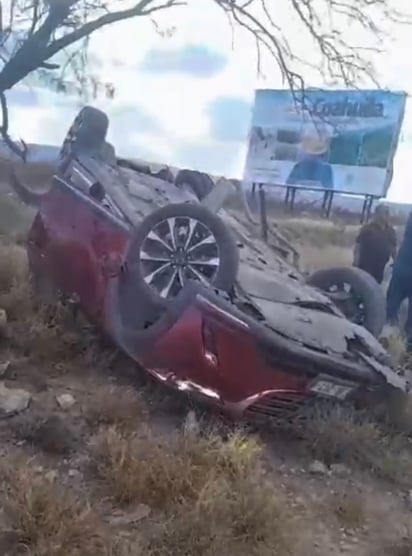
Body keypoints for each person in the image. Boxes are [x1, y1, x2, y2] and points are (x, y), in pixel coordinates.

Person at [353, 205, 397, 284]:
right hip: (365, 264)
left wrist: (396, 261)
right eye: (383, 213)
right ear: (377, 214)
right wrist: (356, 258)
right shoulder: (367, 228)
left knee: (375, 285)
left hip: (381, 264)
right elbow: (358, 244)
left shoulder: (390, 230)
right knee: (361, 284)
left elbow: (393, 247)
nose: (386, 215)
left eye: (387, 213)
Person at [386, 210, 412, 343]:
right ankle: (407, 341)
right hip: (404, 269)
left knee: (392, 304)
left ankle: (387, 334)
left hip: (402, 268)